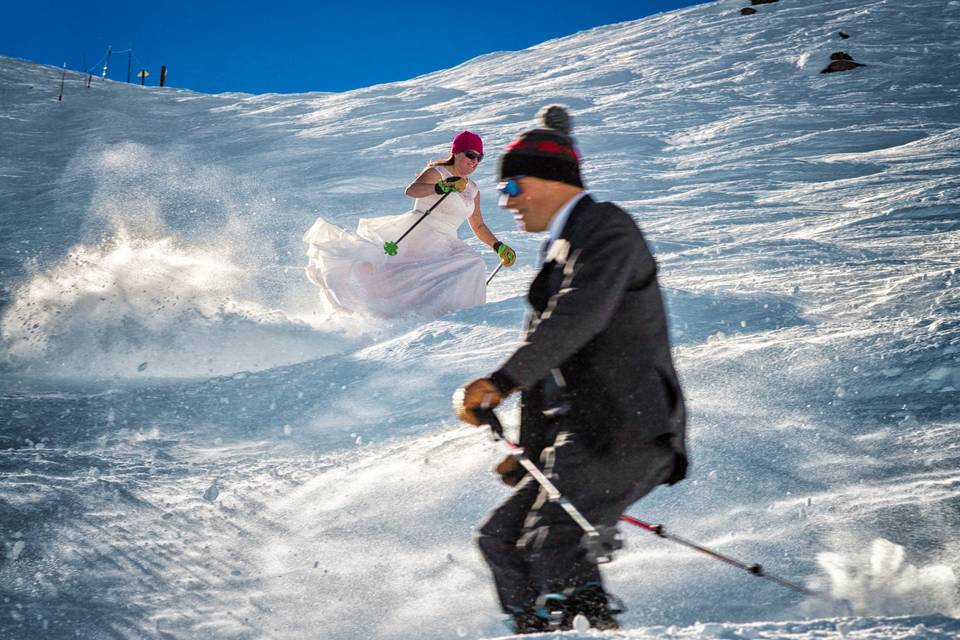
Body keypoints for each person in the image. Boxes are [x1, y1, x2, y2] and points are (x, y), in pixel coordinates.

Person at [453, 106, 688, 634]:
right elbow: (549, 366)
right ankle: (546, 625)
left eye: (511, 184)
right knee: (500, 540)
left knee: (550, 543)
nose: (505, 199)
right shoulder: (560, 252)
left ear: (549, 180)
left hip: (625, 428)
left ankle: (586, 617)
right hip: (579, 440)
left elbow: (580, 315)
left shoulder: (606, 228)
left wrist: (500, 382)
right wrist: (530, 454)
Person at [303, 131, 516, 318]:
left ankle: (452, 315)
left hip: (448, 239)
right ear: (457, 152)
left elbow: (478, 225)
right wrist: (441, 187)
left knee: (472, 264)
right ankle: (417, 314)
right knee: (463, 266)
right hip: (422, 233)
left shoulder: (473, 189)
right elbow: (412, 190)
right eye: (471, 155)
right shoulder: (438, 173)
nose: (475, 161)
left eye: (480, 157)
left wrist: (498, 247)